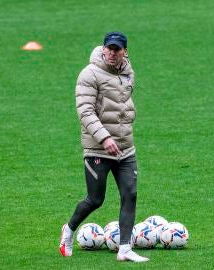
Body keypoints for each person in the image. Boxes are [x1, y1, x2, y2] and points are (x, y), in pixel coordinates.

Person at [59, 31, 149, 262]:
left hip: (125, 147)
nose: (111, 52)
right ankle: (68, 230)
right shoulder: (89, 74)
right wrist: (105, 139)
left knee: (130, 194)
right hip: (98, 149)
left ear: (124, 52)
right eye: (108, 48)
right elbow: (85, 111)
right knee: (95, 199)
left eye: (116, 49)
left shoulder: (129, 73)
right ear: (103, 48)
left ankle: (125, 249)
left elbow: (124, 106)